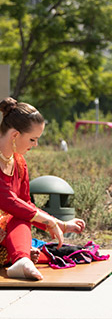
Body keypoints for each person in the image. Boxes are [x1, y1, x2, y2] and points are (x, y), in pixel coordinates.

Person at [0, 97, 86, 280]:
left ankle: (21, 259)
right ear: (15, 135)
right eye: (32, 139)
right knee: (22, 227)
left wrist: (59, 223)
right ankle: (21, 257)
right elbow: (7, 200)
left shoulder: (20, 164)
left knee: (21, 220)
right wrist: (51, 222)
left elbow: (25, 205)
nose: (35, 145)